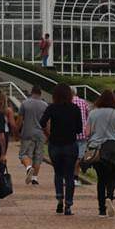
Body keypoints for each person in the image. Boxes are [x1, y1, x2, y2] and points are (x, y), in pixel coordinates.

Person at [40, 83, 83, 215]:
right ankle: (68, 205)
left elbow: (42, 122)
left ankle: (59, 198)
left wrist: (49, 134)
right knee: (70, 175)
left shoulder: (52, 107)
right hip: (70, 144)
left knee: (58, 173)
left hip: (55, 144)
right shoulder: (75, 108)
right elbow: (79, 129)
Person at [85, 90, 115, 217]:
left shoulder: (93, 113)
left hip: (96, 148)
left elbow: (87, 133)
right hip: (112, 147)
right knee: (112, 176)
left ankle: (101, 209)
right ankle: (109, 197)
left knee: (101, 179)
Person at [15, 85, 48, 185]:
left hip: (27, 132)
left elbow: (19, 120)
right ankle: (35, 178)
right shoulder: (45, 105)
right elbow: (47, 122)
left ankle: (29, 168)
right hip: (40, 133)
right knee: (38, 156)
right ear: (40, 93)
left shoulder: (25, 104)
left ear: (31, 92)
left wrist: (16, 132)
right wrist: (48, 134)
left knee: (24, 154)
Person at [72, 86, 90, 186]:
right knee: (79, 156)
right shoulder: (83, 102)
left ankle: (68, 176)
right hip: (82, 133)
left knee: (70, 156)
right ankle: (75, 177)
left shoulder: (67, 103)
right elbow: (88, 116)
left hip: (70, 134)